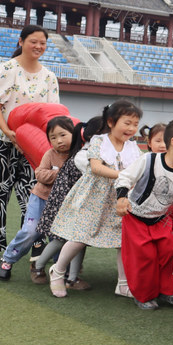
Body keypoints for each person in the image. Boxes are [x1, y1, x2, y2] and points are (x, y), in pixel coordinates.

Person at [0, 24, 60, 259]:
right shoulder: (6, 70)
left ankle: (34, 242)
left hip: (33, 146)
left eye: (42, 43)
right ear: (21, 41)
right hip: (0, 140)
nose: (38, 46)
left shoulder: (49, 77)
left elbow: (52, 113)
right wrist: (8, 132)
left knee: (35, 193)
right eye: (33, 41)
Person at [48, 100, 143, 299]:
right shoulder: (99, 141)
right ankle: (57, 272)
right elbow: (96, 168)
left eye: (135, 124)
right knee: (80, 236)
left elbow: (140, 169)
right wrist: (124, 176)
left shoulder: (133, 147)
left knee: (122, 241)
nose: (131, 128)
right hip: (93, 197)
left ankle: (123, 284)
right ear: (111, 122)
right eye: (127, 123)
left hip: (120, 198)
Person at [116, 118, 173, 310]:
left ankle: (168, 291)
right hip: (136, 218)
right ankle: (144, 295)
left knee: (170, 251)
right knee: (144, 257)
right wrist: (122, 198)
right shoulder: (149, 161)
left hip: (162, 220)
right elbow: (124, 177)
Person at [0, 116, 73, 281]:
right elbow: (39, 174)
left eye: (63, 135)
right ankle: (7, 260)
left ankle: (58, 269)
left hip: (63, 204)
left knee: (58, 237)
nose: (59, 141)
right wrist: (60, 174)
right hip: (41, 199)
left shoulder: (78, 156)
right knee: (30, 231)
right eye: (53, 137)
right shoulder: (50, 154)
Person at [30, 117, 103, 285]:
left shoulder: (87, 153)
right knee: (61, 239)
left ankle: (71, 278)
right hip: (66, 204)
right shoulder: (84, 156)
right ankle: (39, 266)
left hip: (78, 203)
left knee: (79, 240)